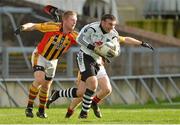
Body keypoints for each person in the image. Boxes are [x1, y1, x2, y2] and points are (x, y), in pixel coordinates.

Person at [46, 14, 153, 119]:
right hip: (85, 57)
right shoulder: (91, 28)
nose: (112, 27)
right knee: (93, 84)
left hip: (97, 61)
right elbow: (79, 39)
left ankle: (58, 94)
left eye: (114, 25)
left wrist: (141, 43)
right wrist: (93, 48)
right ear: (103, 22)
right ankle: (83, 113)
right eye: (110, 24)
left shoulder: (113, 33)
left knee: (84, 92)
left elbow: (124, 40)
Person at [14, 10, 78, 118]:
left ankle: (41, 110)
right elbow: (34, 26)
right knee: (40, 79)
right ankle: (29, 107)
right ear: (65, 20)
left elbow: (87, 42)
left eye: (76, 21)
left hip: (53, 61)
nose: (74, 23)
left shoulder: (75, 35)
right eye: (72, 20)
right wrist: (23, 27)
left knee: (46, 86)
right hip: (40, 56)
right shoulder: (53, 26)